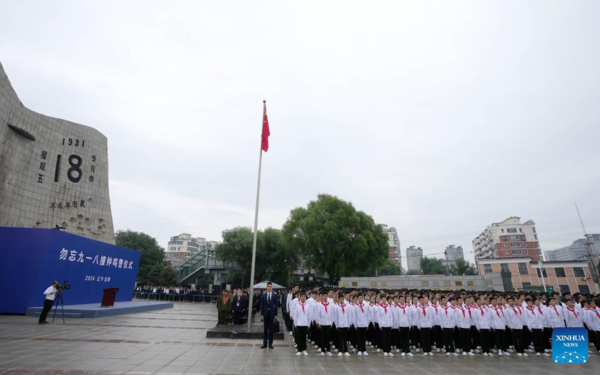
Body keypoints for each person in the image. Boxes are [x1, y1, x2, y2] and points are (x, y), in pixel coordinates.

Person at [260, 282, 278, 349]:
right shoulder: (263, 296)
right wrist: (262, 314)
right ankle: (264, 343)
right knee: (265, 329)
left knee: (271, 330)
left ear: (272, 287)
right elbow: (262, 306)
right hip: (265, 314)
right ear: (266, 287)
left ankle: (270, 343)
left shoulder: (274, 295)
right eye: (268, 286)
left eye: (271, 286)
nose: (270, 287)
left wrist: (275, 314)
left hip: (272, 314)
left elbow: (276, 306)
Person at [292, 292, 310, 356]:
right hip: (299, 323)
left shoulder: (307, 305)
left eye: (304, 297)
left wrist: (308, 324)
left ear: (305, 298)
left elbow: (309, 315)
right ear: (300, 297)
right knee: (299, 337)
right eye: (302, 297)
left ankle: (304, 349)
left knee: (304, 337)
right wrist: (295, 324)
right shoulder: (297, 305)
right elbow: (295, 315)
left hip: (305, 323)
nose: (303, 298)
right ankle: (299, 349)